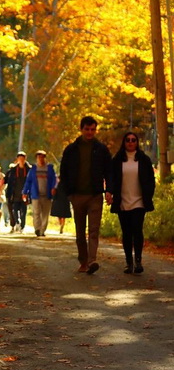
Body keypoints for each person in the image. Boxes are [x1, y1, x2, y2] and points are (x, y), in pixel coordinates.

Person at [60, 116, 112, 274]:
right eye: (87, 129)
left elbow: (109, 171)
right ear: (81, 129)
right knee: (80, 231)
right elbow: (64, 172)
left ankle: (92, 261)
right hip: (77, 196)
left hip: (95, 195)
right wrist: (69, 193)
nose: (90, 132)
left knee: (94, 229)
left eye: (93, 129)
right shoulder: (71, 150)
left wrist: (109, 190)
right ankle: (83, 261)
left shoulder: (101, 149)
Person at [109, 132, 155, 274]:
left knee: (137, 230)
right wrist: (110, 193)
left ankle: (138, 261)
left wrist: (148, 194)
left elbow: (151, 180)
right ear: (124, 142)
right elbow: (112, 179)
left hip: (139, 201)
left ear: (137, 142)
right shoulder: (117, 160)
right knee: (126, 233)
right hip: (122, 201)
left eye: (133, 140)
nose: (130, 142)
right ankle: (128, 262)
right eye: (128, 140)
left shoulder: (144, 159)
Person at [22, 150, 56, 237]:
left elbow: (54, 180)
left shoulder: (49, 169)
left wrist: (53, 188)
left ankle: (42, 230)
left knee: (45, 213)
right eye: (39, 157)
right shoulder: (33, 169)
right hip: (35, 195)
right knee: (36, 212)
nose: (40, 159)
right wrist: (25, 192)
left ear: (45, 158)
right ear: (36, 158)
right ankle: (37, 229)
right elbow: (28, 181)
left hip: (47, 194)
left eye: (42, 157)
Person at [5, 151, 31, 233]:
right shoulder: (13, 170)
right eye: (20, 158)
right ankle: (17, 223)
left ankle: (22, 227)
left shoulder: (29, 169)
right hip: (14, 194)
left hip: (25, 194)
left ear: (25, 159)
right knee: (14, 210)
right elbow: (6, 180)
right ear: (17, 159)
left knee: (24, 212)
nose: (21, 160)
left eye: (23, 158)